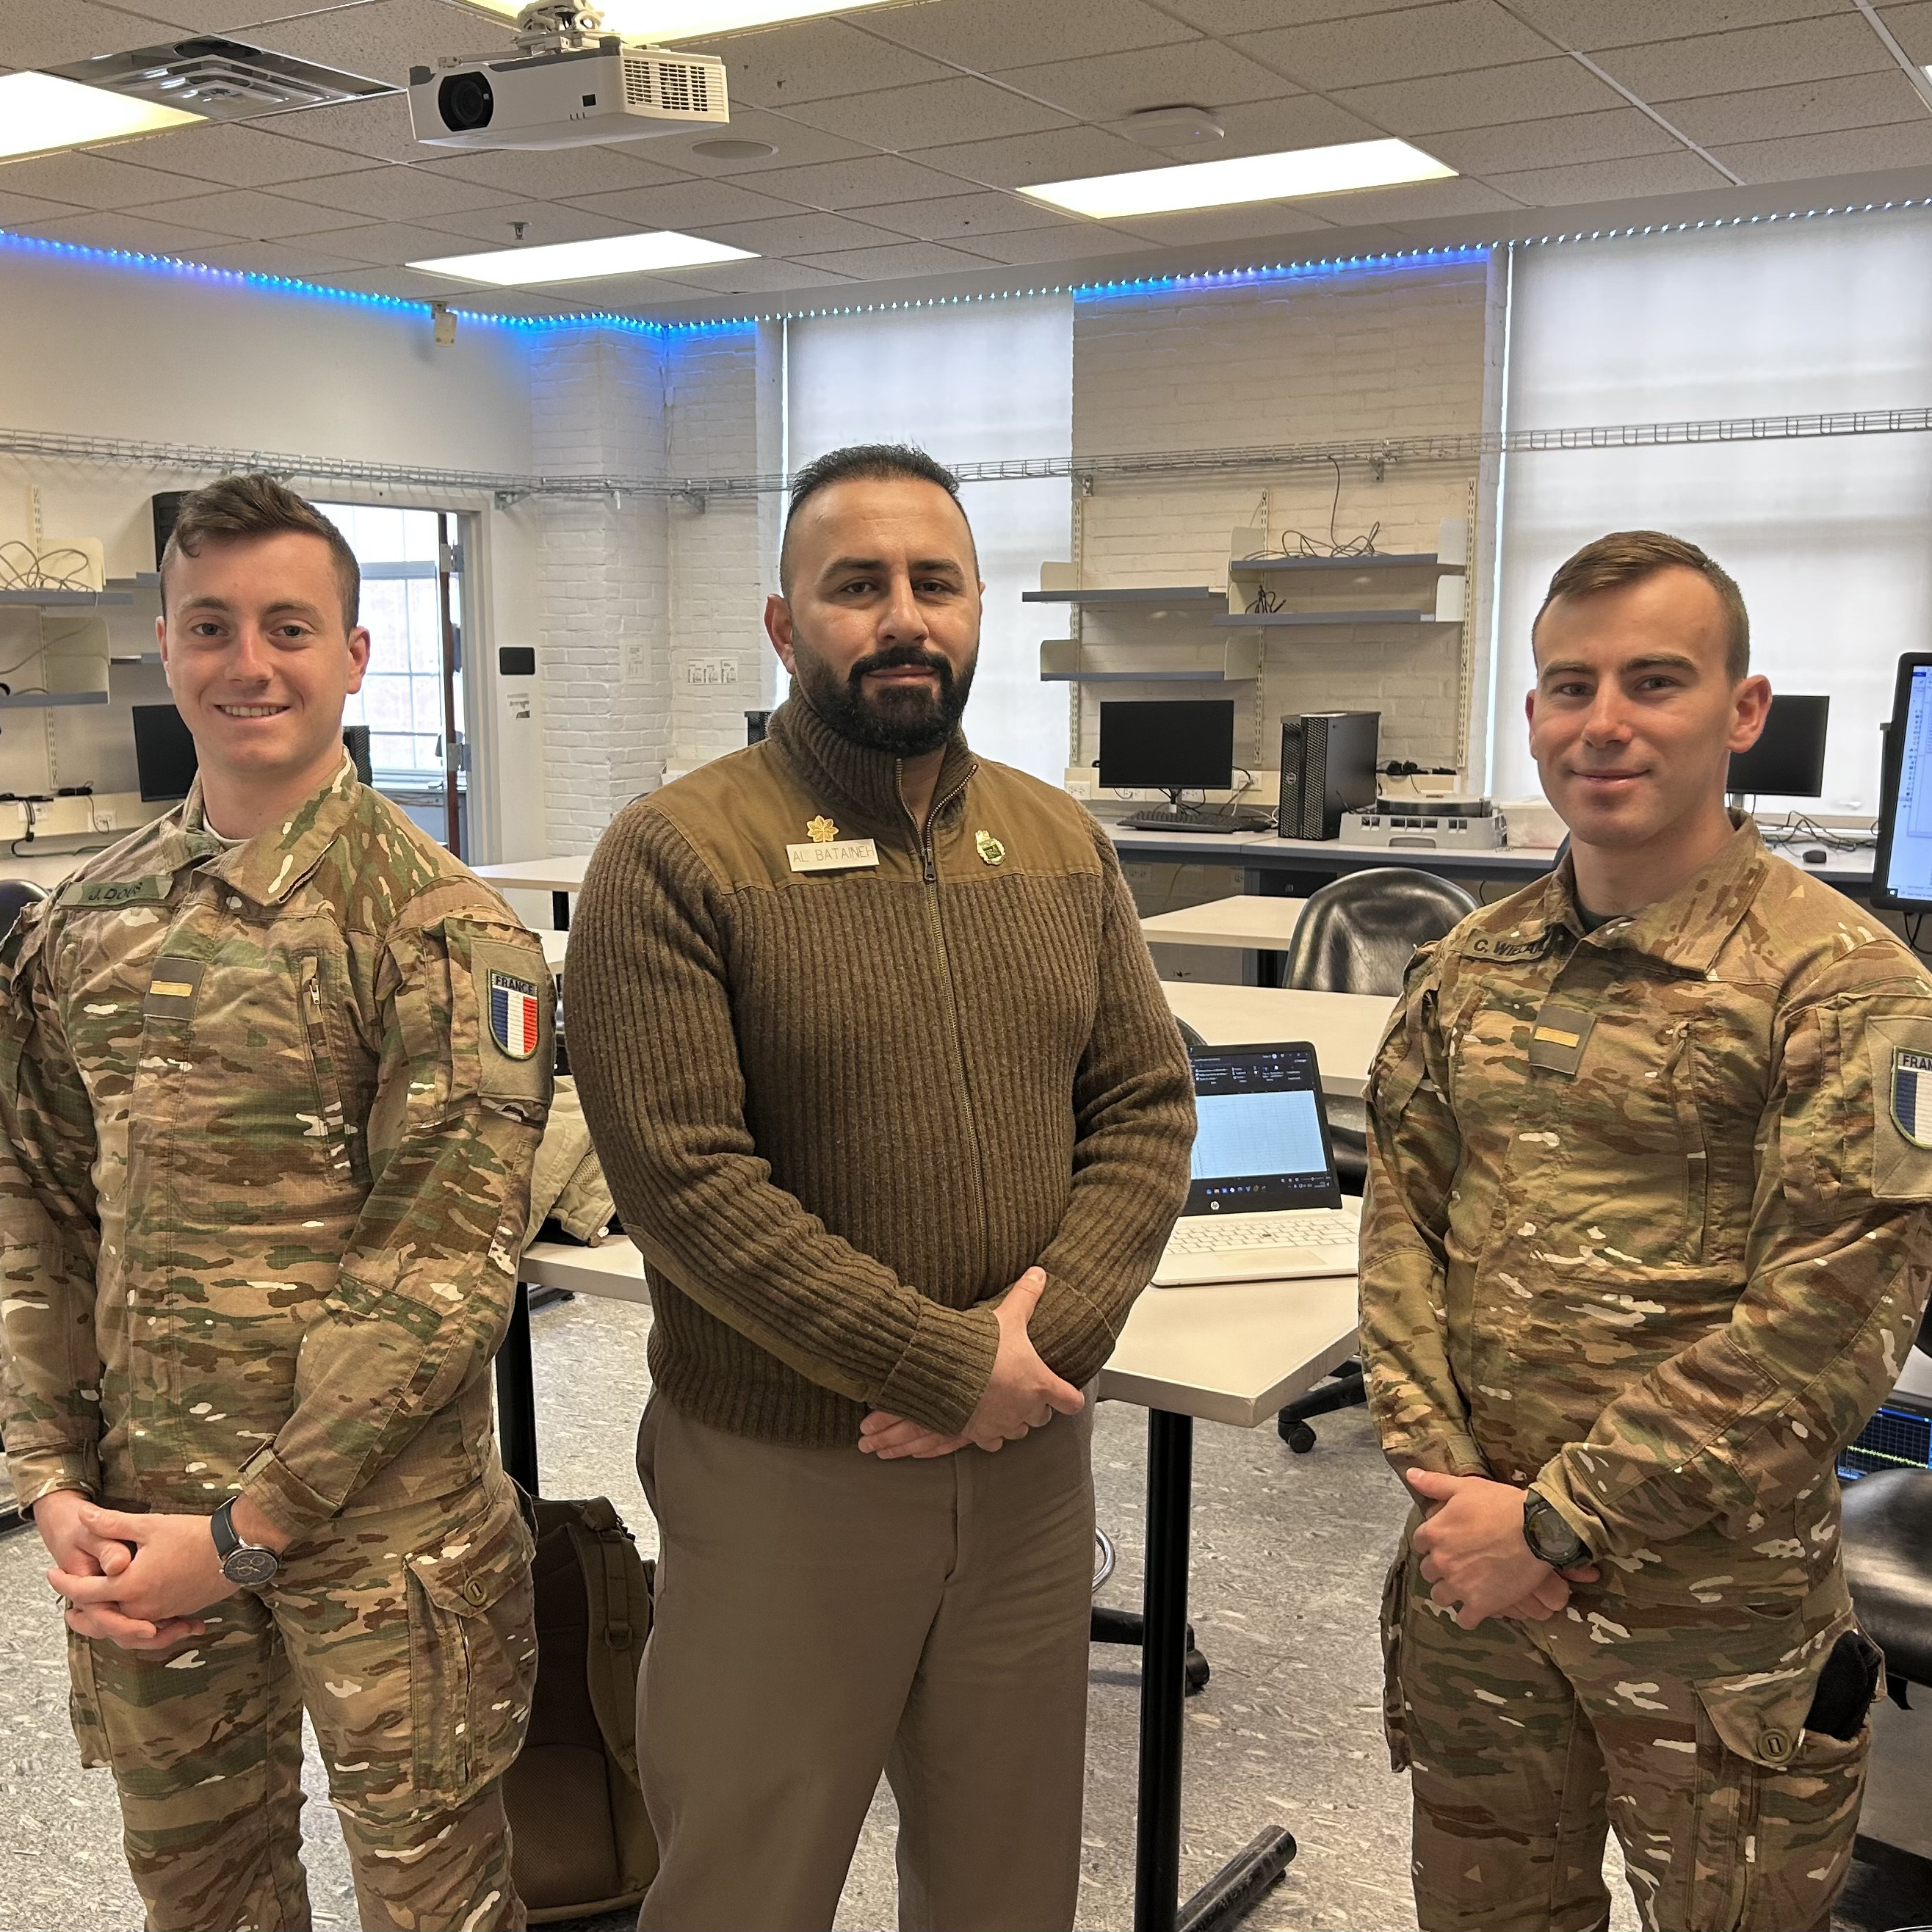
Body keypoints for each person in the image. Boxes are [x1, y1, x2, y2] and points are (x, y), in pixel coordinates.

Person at [569, 442, 1195, 1932]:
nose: (902, 617)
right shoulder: (674, 854)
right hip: (786, 1473)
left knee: (1006, 1885)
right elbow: (685, 1181)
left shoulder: (1058, 843)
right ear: (784, 625)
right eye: (856, 585)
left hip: (1028, 1470)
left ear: (975, 610)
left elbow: (1145, 1107)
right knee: (741, 1887)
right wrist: (938, 1363)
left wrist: (1031, 1352)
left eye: (935, 583)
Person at [0, 474, 554, 1932]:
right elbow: (38, 1208)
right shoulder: (82, 923)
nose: (249, 662)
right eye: (212, 625)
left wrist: (248, 1527)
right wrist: (51, 1478)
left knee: (435, 1906)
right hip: (143, 1519)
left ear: (355, 655)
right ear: (167, 647)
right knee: (205, 1899)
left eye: (289, 627)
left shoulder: (445, 930)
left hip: (383, 1545)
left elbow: (441, 1272)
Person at [1360, 528, 1932, 1932]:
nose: (1603, 722)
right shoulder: (1468, 966)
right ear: (1534, 714)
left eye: (1655, 681)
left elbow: (1830, 1328)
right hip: (1477, 1589)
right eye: (1571, 686)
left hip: (1711, 1624)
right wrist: (1456, 1496)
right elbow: (1400, 1231)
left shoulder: (1849, 990)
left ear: (1744, 711)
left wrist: (1554, 1523)